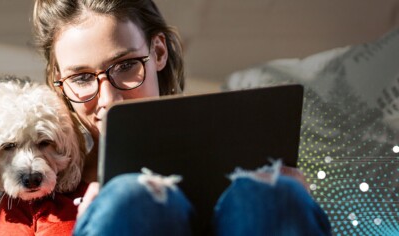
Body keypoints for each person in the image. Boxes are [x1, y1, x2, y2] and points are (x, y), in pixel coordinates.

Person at [25, 0, 333, 235]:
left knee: (270, 194)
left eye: (126, 66)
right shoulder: (35, 196)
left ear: (158, 52)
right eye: (81, 78)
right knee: (134, 198)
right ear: (58, 81)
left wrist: (296, 209)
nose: (109, 99)